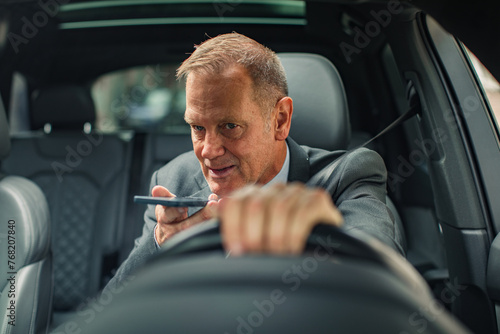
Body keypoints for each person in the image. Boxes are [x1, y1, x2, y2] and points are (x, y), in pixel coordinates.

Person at [104, 32, 403, 291]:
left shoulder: (347, 178)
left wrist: (319, 239)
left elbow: (382, 276)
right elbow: (110, 312)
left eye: (230, 126)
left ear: (280, 120)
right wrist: (160, 246)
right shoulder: (171, 181)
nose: (207, 151)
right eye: (197, 128)